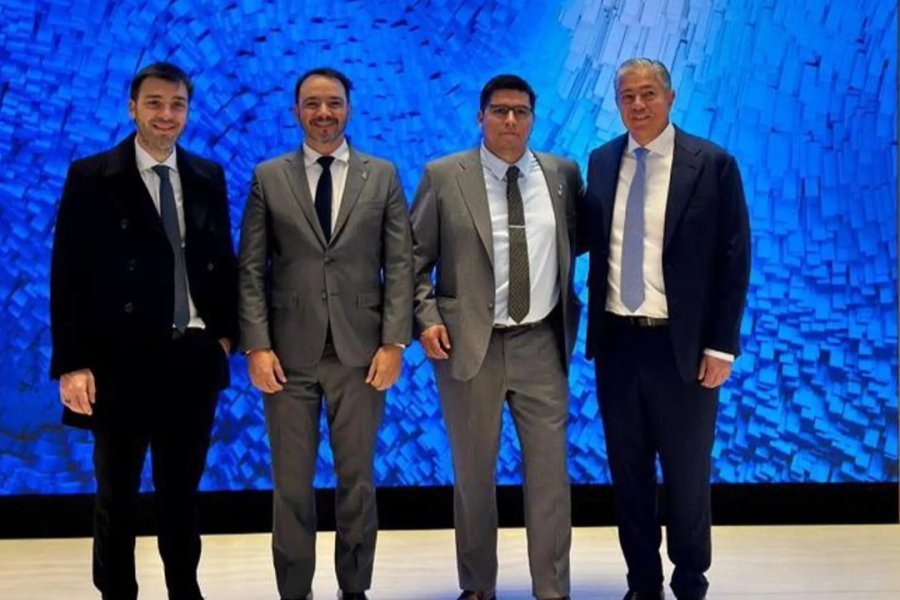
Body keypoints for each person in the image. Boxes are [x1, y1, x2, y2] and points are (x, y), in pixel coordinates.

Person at [50, 61, 238, 600]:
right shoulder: (92, 176)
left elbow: (221, 263)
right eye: (154, 103)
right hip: (119, 361)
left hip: (192, 358)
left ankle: (185, 591)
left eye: (177, 105)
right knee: (117, 495)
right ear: (132, 107)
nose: (166, 115)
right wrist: (72, 363)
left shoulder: (207, 175)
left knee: (181, 494)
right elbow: (67, 273)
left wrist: (224, 339)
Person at [238, 67, 413, 600]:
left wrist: (394, 342)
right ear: (295, 111)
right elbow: (251, 268)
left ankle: (354, 588)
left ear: (349, 109)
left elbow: (399, 264)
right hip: (286, 357)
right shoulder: (269, 176)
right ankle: (294, 590)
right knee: (291, 484)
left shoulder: (382, 175)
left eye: (333, 103)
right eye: (312, 103)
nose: (323, 113)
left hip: (362, 354)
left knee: (356, 481)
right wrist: (257, 345)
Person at [580, 58, 751, 600]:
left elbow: (734, 258)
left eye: (648, 93)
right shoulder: (601, 161)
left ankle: (690, 579)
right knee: (628, 472)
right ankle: (643, 582)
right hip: (617, 345)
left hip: (684, 348)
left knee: (687, 473)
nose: (638, 104)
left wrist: (721, 345)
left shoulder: (713, 164)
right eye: (627, 96)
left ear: (671, 98)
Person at [410, 74, 581, 600]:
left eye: (521, 112)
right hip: (468, 347)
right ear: (480, 116)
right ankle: (477, 585)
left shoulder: (562, 174)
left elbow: (578, 245)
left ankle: (552, 588)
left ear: (533, 119)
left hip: (541, 343)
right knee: (473, 474)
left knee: (550, 476)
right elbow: (413, 261)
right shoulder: (444, 176)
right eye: (500, 111)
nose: (510, 120)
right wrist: (426, 317)